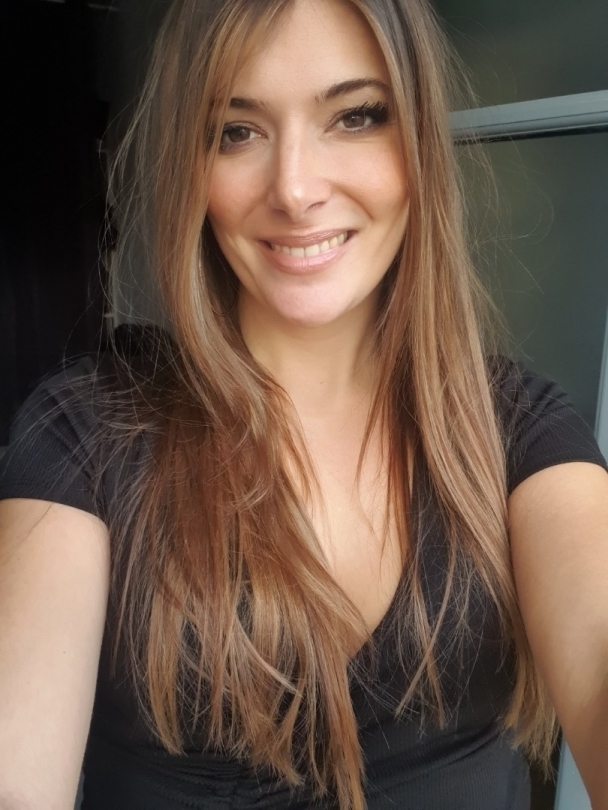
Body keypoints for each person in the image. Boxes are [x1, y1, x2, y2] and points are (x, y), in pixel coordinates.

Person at [0, 0, 607, 808]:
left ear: (418, 141)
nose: (293, 188)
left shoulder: (520, 431)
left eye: (354, 116)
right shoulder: (85, 432)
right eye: (236, 131)